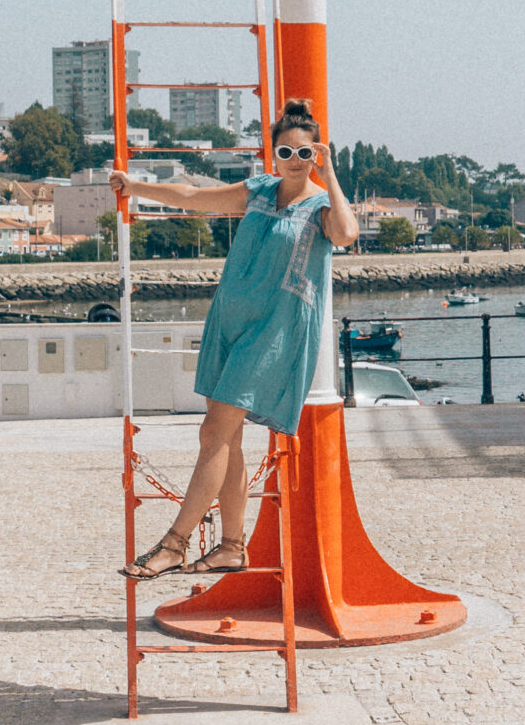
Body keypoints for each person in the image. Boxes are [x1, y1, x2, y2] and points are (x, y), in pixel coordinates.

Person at [111, 97, 359, 579]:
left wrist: (331, 176)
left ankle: (175, 542)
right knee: (227, 437)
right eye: (284, 153)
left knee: (213, 433)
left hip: (274, 334)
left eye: (303, 154)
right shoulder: (258, 192)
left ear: (317, 157)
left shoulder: (322, 207)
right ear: (273, 156)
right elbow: (189, 198)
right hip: (230, 322)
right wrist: (134, 185)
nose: (293, 162)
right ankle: (231, 545)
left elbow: (347, 234)